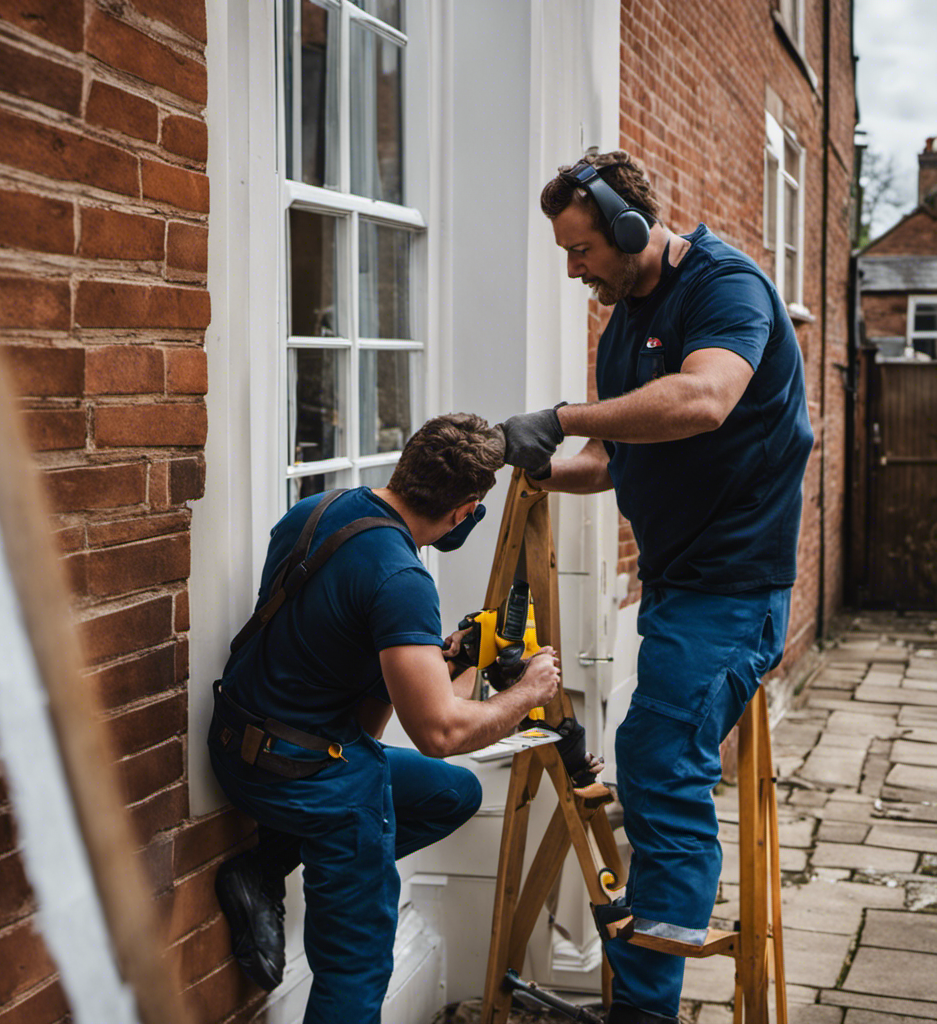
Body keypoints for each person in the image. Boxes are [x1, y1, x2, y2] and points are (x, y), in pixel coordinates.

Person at [498, 150, 813, 1024]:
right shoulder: (620, 325)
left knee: (654, 750)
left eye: (581, 249)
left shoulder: (726, 290)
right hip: (679, 589)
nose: (572, 270)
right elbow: (609, 458)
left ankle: (648, 999)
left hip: (735, 589)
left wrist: (558, 415)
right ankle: (643, 985)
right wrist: (526, 463)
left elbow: (704, 401)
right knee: (648, 754)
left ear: (629, 226)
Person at [208, 412, 562, 1024]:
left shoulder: (317, 511)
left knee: (454, 794)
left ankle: (266, 865)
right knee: (358, 967)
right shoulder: (402, 578)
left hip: (237, 744)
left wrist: (436, 658)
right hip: (309, 776)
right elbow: (439, 733)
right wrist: (528, 693)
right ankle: (327, 871)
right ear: (464, 511)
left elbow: (344, 665)